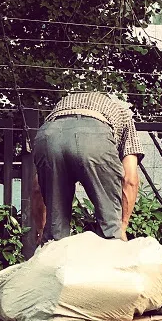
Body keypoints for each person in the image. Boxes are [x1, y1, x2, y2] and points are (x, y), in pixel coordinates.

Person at [30, 90, 143, 245]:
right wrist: (121, 226)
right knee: (111, 233)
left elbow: (37, 188)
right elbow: (129, 179)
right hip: (95, 138)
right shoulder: (121, 113)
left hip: (49, 134)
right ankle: (112, 245)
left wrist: (42, 230)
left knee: (54, 241)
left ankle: (51, 246)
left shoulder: (60, 108)